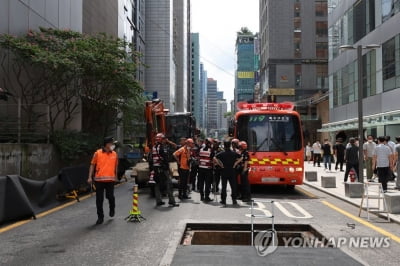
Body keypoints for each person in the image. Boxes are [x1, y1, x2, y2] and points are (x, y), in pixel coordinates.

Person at [88, 137, 118, 225]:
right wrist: (90, 177)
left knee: (110, 196)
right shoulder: (97, 153)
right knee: (99, 200)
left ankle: (112, 208)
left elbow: (116, 166)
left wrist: (116, 176)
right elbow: (92, 165)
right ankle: (100, 217)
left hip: (110, 180)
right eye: (111, 143)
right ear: (107, 144)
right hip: (99, 180)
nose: (113, 145)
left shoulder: (114, 154)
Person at [152, 133, 179, 207]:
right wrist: (168, 168)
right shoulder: (162, 148)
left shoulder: (154, 147)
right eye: (164, 139)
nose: (165, 140)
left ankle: (159, 201)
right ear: (161, 139)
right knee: (169, 184)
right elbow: (165, 159)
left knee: (157, 184)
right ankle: (172, 201)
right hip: (163, 169)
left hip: (156, 168)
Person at [213, 140, 242, 206]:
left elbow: (214, 158)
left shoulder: (222, 153)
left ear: (224, 145)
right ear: (230, 145)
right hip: (232, 171)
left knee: (224, 187)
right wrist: (235, 163)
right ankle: (234, 200)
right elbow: (241, 157)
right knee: (233, 186)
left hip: (224, 171)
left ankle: (223, 200)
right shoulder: (233, 153)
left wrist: (220, 164)